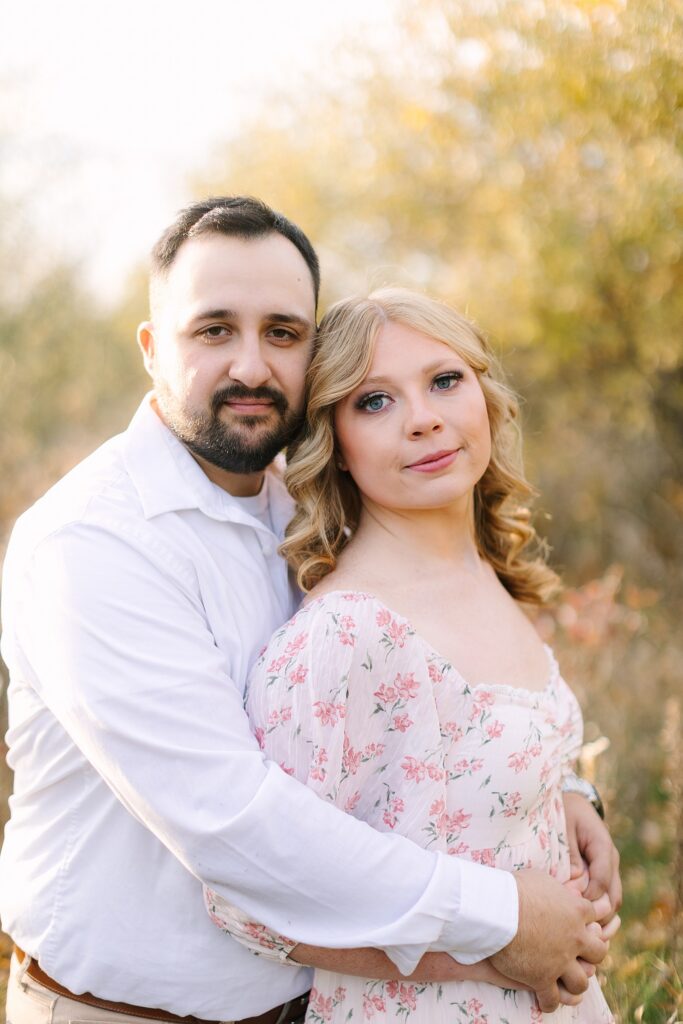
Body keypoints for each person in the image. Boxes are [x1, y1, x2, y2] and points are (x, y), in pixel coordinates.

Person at [0, 198, 619, 1024]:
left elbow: (450, 691)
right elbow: (233, 824)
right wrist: (503, 919)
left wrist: (560, 788)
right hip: (128, 1012)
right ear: (152, 350)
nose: (252, 366)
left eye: (282, 333)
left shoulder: (314, 506)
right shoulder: (92, 544)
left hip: (329, 999)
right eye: (213, 330)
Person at [205, 287, 618, 1020]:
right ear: (335, 444)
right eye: (373, 402)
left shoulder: (489, 573)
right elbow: (250, 904)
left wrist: (569, 799)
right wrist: (495, 955)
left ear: (484, 396)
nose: (423, 418)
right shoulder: (345, 639)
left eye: (443, 381)